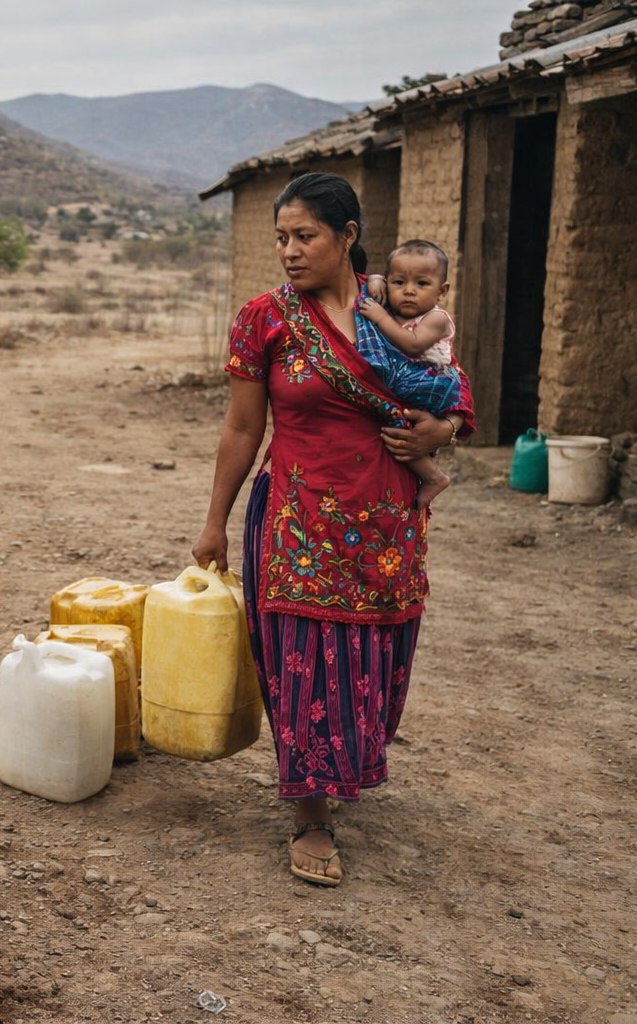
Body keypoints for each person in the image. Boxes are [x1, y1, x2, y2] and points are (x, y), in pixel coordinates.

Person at [192, 172, 473, 887]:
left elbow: (454, 386)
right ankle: (311, 815)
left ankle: (346, 763)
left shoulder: (402, 302)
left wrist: (442, 427)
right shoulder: (266, 318)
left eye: (305, 235)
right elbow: (241, 425)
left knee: (372, 654)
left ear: (348, 236)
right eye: (280, 237)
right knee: (304, 659)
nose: (289, 250)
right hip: (298, 518)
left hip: (387, 523)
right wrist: (214, 522)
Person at [357, 240, 463, 509]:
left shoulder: (436, 319)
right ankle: (431, 474)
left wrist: (380, 317)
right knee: (398, 425)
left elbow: (412, 344)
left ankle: (433, 477)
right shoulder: (398, 311)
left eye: (421, 284)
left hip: (430, 381)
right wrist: (376, 280)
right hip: (413, 378)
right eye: (398, 282)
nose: (408, 291)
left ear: (443, 290)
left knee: (391, 416)